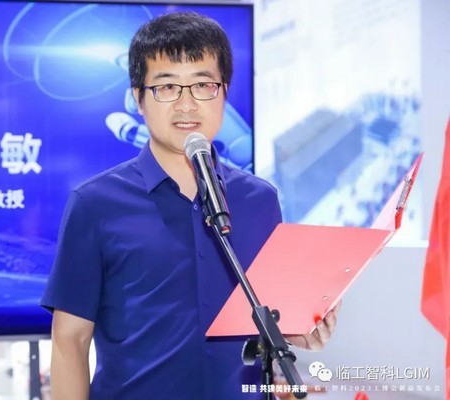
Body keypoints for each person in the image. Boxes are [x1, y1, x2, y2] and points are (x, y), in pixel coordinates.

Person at [41, 11, 340, 400]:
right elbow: (70, 340)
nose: (186, 105)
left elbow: (269, 319)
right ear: (138, 99)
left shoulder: (260, 200)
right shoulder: (95, 204)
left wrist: (299, 330)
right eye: (167, 87)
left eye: (203, 85)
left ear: (223, 93)